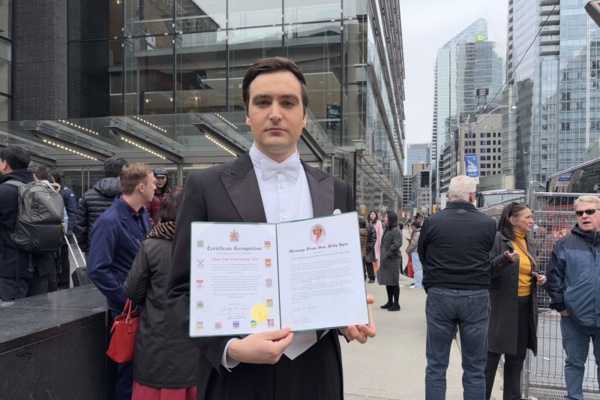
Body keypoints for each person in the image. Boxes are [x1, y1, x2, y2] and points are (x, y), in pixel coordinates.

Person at [167, 56, 376, 400]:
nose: (275, 113)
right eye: (263, 102)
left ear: (304, 116)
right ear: (248, 114)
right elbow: (179, 291)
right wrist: (230, 348)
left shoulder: (337, 190)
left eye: (288, 103)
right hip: (236, 376)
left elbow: (341, 277)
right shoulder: (205, 186)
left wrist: (349, 315)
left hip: (316, 372)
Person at [418, 175, 496, 400]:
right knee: (475, 368)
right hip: (476, 294)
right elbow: (488, 253)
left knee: (436, 365)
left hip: (440, 292)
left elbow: (423, 255)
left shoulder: (432, 221)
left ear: (448, 196)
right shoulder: (488, 223)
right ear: (472, 196)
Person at [87, 163, 154, 400]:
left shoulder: (141, 214)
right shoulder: (109, 221)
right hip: (126, 310)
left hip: (142, 305)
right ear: (141, 187)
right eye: (152, 182)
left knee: (138, 370)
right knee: (127, 372)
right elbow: (96, 269)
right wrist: (126, 298)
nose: (156, 187)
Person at [124, 186, 198, 400]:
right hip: (197, 343)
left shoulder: (151, 245)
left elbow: (133, 291)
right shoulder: (207, 245)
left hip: (157, 340)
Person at [485, 202, 547, 400]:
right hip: (499, 309)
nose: (531, 221)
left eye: (531, 217)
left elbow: (527, 270)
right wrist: (504, 260)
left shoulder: (528, 242)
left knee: (516, 361)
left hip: (524, 308)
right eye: (527, 217)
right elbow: (484, 272)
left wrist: (539, 277)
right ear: (512, 220)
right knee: (489, 361)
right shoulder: (497, 239)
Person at [546, 195, 600, 400]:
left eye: (590, 211)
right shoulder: (565, 244)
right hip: (573, 318)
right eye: (579, 213)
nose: (584, 216)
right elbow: (553, 277)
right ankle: (573, 397)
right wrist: (561, 306)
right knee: (574, 363)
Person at [0, 147, 54, 300]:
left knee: (12, 313)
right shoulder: (44, 190)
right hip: (41, 267)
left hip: (12, 269)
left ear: (4, 163)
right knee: (38, 312)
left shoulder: (3, 191)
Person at [74, 156, 127, 254]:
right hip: (123, 250)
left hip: (95, 248)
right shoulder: (129, 194)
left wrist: (86, 248)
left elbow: (80, 226)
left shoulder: (88, 195)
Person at [48, 168, 78, 290]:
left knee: (63, 258)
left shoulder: (67, 192)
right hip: (53, 231)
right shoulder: (51, 191)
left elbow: (72, 212)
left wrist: (69, 228)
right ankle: (54, 282)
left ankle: (64, 283)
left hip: (64, 231)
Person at [378, 211, 403, 311]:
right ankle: (390, 301)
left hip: (393, 260)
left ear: (391, 219)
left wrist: (387, 254)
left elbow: (396, 245)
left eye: (386, 217)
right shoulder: (387, 229)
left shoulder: (396, 231)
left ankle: (396, 304)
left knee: (393, 282)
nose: (384, 218)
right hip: (386, 259)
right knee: (388, 281)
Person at [406, 220, 423, 289]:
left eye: (412, 226)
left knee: (417, 269)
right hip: (417, 252)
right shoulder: (418, 232)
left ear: (415, 226)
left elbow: (413, 244)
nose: (411, 227)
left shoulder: (417, 233)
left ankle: (418, 284)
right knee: (418, 268)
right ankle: (418, 283)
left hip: (416, 252)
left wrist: (408, 251)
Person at [359, 216, 377, 282]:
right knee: (362, 263)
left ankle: (371, 277)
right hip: (363, 248)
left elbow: (374, 238)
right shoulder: (357, 227)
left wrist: (369, 246)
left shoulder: (370, 227)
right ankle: (364, 276)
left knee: (368, 263)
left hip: (368, 248)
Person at [367, 210, 383, 275]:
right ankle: (370, 271)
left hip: (376, 243)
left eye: (373, 214)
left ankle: (375, 271)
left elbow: (380, 233)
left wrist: (380, 243)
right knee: (369, 258)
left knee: (375, 258)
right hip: (369, 242)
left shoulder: (379, 222)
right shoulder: (368, 222)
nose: (372, 215)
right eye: (371, 214)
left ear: (376, 215)